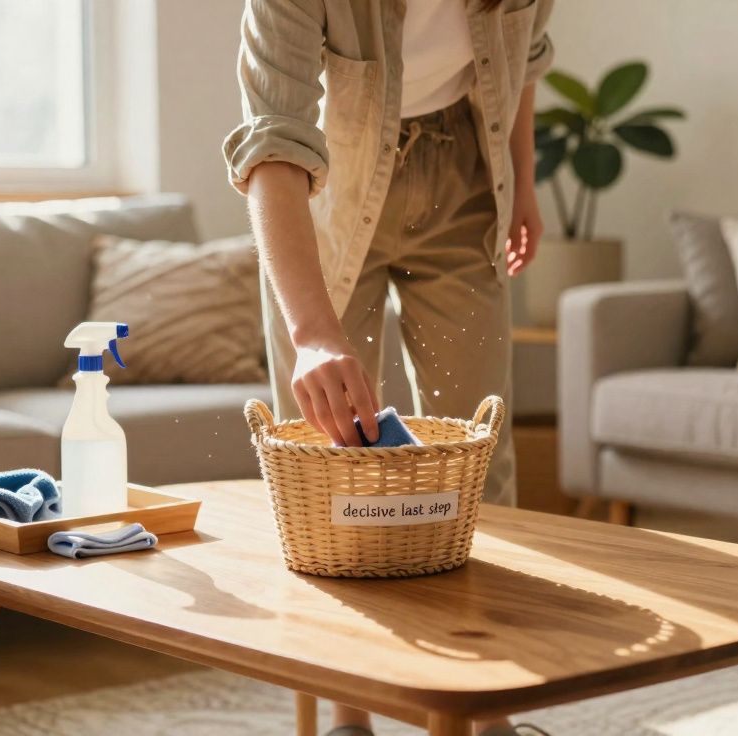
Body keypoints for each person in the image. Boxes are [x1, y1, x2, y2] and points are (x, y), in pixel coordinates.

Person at [223, 1, 555, 734]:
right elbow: (271, 143)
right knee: (329, 467)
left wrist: (523, 181)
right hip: (328, 193)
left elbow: (524, 59)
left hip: (467, 176)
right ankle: (351, 714)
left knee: (480, 460)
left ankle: (486, 706)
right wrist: (311, 331)